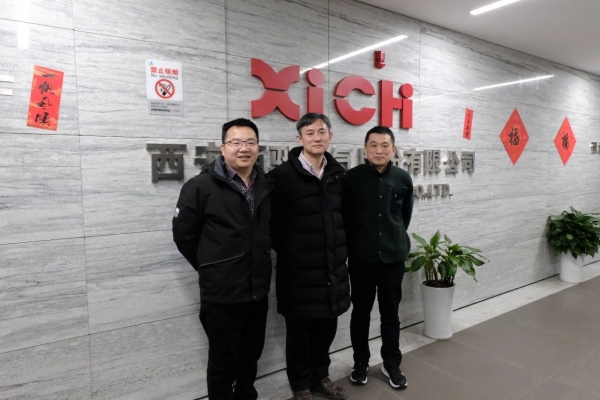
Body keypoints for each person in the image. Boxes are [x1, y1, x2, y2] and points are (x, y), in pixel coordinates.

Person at [172, 118, 273, 400]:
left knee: (251, 356)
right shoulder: (200, 186)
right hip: (221, 293)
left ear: (257, 147)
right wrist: (211, 267)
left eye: (250, 142)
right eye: (236, 142)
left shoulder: (266, 185)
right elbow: (183, 235)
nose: (244, 148)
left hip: (257, 289)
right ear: (223, 147)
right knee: (222, 361)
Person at [268, 113, 350, 400]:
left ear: (330, 136)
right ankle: (301, 386)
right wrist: (292, 252)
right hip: (299, 274)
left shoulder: (338, 174)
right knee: (299, 334)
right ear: (299, 138)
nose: (317, 137)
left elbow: (346, 219)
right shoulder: (280, 177)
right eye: (310, 132)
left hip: (332, 271)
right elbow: (271, 226)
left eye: (322, 132)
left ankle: (321, 377)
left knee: (326, 329)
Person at [342, 125, 413, 389]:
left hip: (392, 260)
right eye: (373, 145)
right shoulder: (351, 179)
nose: (379, 150)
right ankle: (360, 362)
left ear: (393, 149)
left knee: (390, 314)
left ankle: (391, 363)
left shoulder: (403, 178)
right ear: (365, 149)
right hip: (361, 259)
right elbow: (346, 217)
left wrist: (392, 240)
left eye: (385, 145)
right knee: (360, 313)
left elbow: (403, 217)